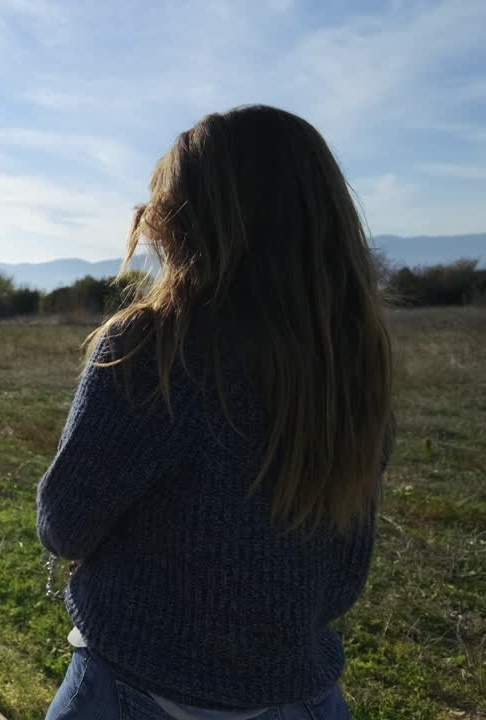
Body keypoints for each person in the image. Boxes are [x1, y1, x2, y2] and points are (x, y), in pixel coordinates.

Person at [36, 105, 394, 720]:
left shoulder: (155, 346)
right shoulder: (353, 364)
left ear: (185, 222)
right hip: (301, 698)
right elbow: (342, 579)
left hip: (132, 694)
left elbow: (64, 523)